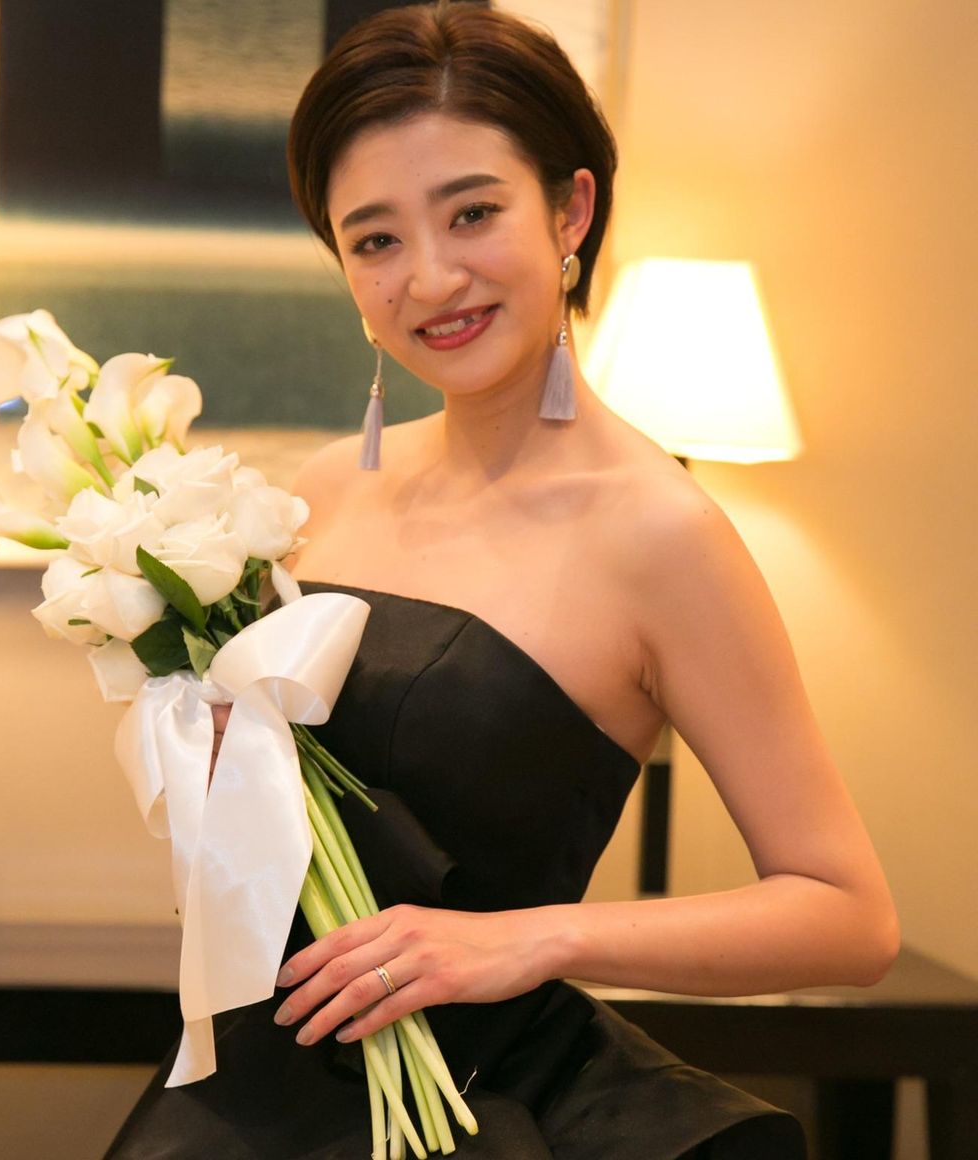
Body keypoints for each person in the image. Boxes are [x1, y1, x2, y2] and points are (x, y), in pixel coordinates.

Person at [105, 4, 898, 1157]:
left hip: (482, 1102)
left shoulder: (659, 533)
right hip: (256, 1093)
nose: (430, 277)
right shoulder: (321, 492)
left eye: (471, 213)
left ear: (569, 210)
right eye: (374, 239)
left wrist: (533, 938)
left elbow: (847, 915)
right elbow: (268, 857)